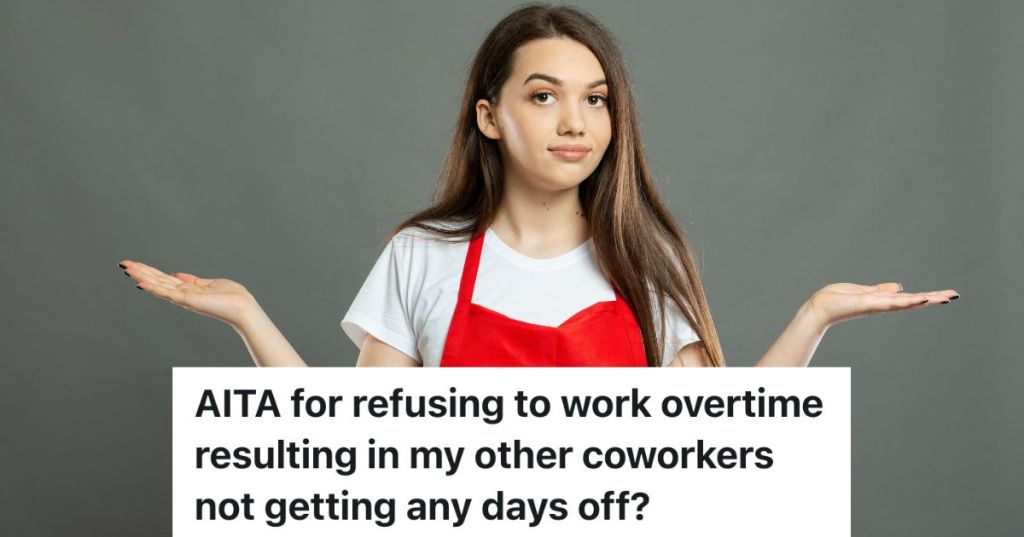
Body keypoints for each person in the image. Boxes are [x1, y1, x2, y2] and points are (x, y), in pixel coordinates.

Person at [117, 3, 958, 368]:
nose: (576, 123)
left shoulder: (646, 257)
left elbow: (723, 446)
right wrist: (246, 317)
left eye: (596, 100)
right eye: (543, 96)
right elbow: (352, 450)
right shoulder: (422, 256)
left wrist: (815, 316)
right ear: (489, 116)